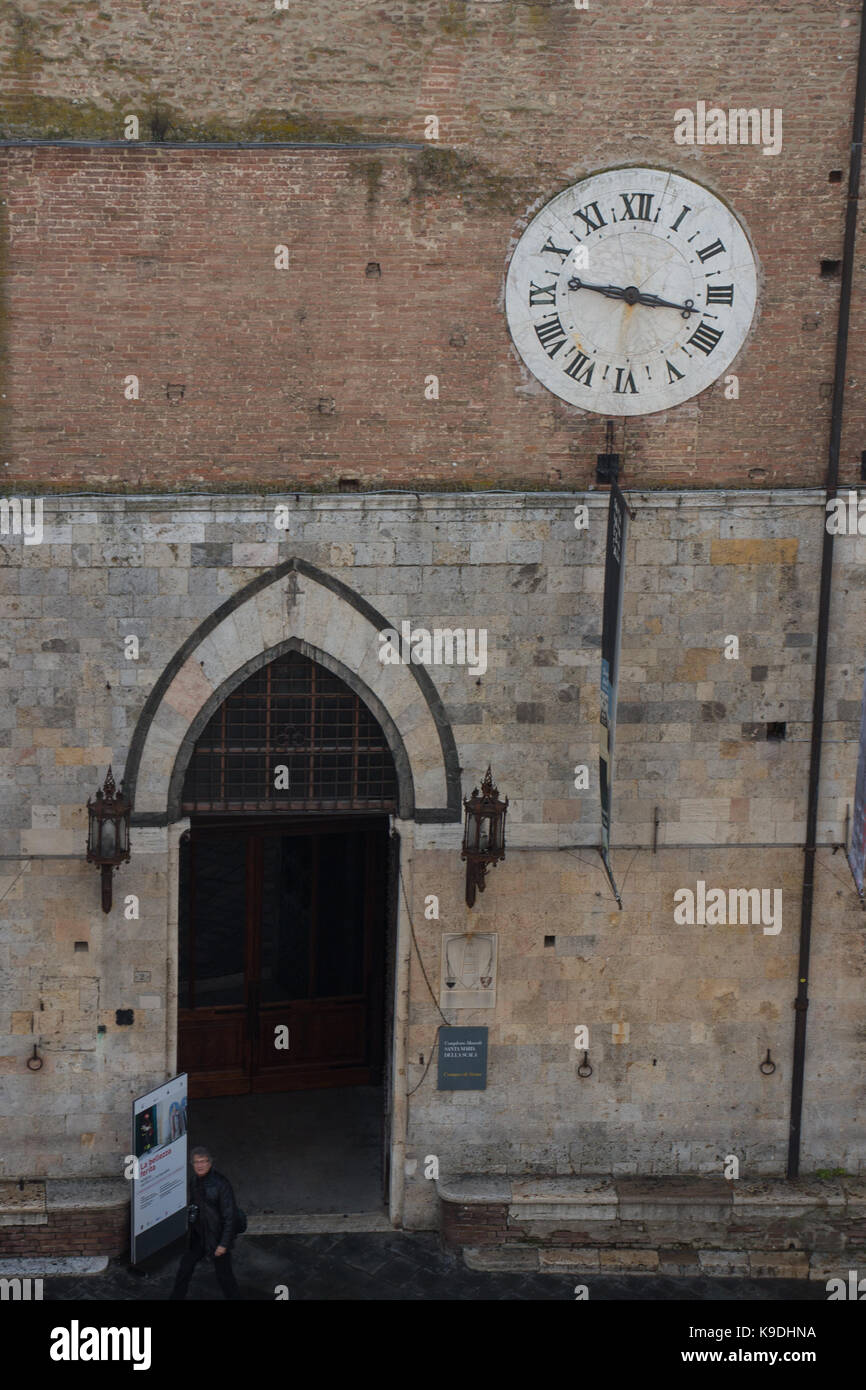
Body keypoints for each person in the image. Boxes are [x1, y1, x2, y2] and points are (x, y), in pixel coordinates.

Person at [170, 1146, 240, 1300]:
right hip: (198, 1237)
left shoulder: (221, 1184)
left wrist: (223, 1244)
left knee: (225, 1278)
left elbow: (230, 1217)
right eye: (196, 1162)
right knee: (184, 1269)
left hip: (216, 1238)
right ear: (192, 1164)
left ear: (210, 1163)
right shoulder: (194, 1181)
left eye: (203, 1161)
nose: (200, 1165)